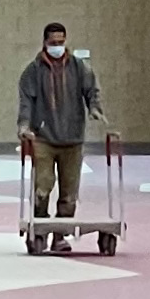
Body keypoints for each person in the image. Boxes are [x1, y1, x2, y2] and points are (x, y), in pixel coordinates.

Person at [16, 22, 101, 223]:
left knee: (69, 193)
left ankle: (61, 235)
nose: (57, 46)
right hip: (43, 138)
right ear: (45, 42)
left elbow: (92, 90)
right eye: (53, 42)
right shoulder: (33, 71)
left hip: (73, 139)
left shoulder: (79, 67)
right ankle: (40, 227)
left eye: (61, 42)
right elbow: (26, 101)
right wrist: (24, 125)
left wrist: (94, 108)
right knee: (42, 187)